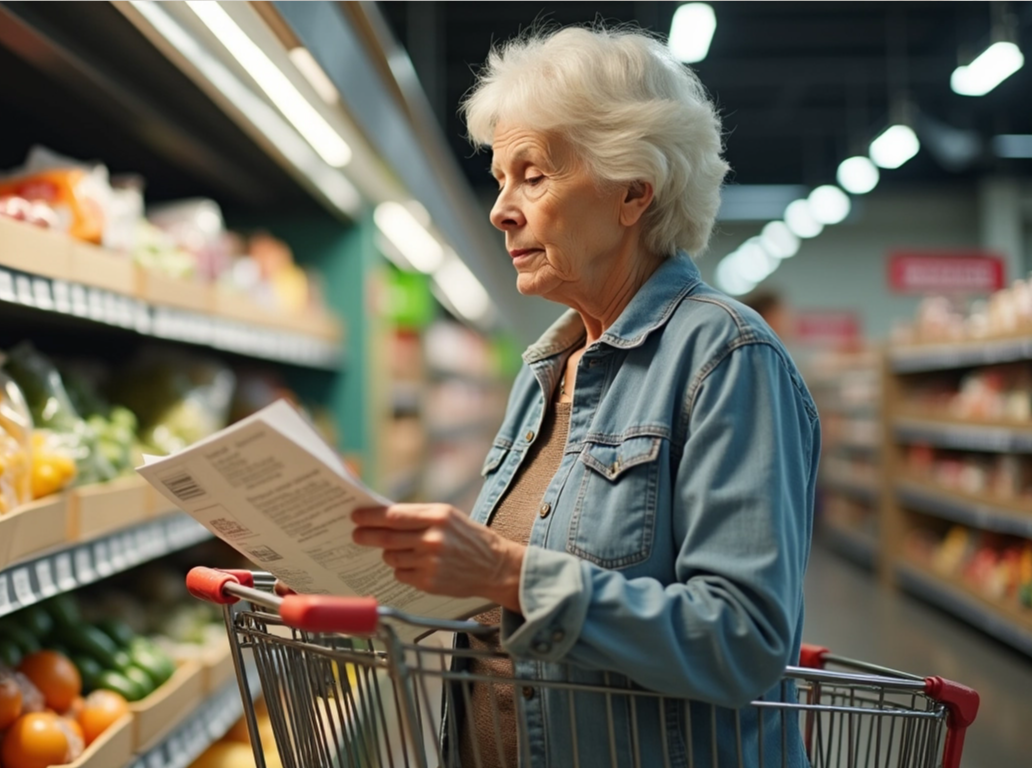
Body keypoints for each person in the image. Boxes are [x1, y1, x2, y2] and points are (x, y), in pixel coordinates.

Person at [350, 24, 819, 768]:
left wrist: (507, 572)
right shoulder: (547, 369)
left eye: (532, 175)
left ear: (634, 190)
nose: (503, 208)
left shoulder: (727, 357)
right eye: (502, 179)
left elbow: (743, 642)